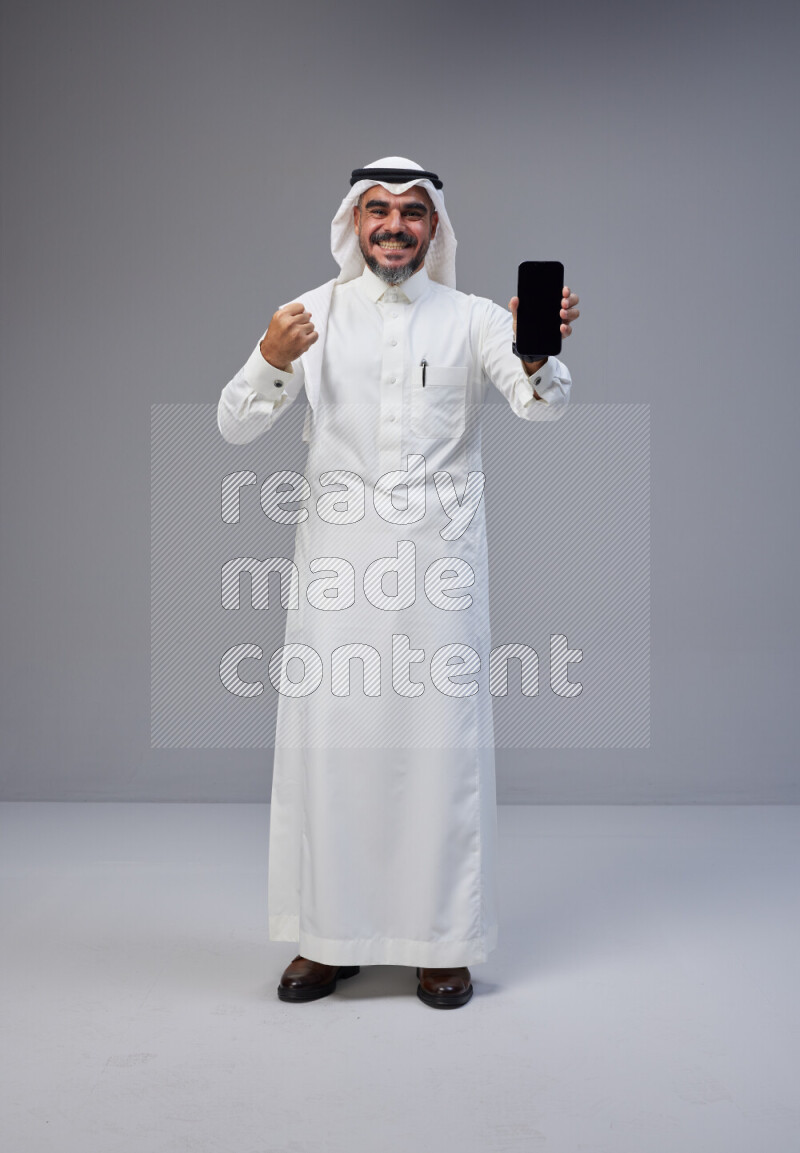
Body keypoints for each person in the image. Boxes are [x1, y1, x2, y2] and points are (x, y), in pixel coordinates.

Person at [217, 156, 579, 1009]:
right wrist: (271, 360)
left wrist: (539, 353)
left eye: (412, 213)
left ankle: (439, 943)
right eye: (377, 210)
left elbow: (545, 406)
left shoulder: (477, 318)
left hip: (438, 577)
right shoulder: (310, 312)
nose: (393, 226)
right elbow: (235, 423)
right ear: (353, 221)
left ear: (436, 228)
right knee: (331, 752)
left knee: (437, 756)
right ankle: (327, 938)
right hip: (336, 578)